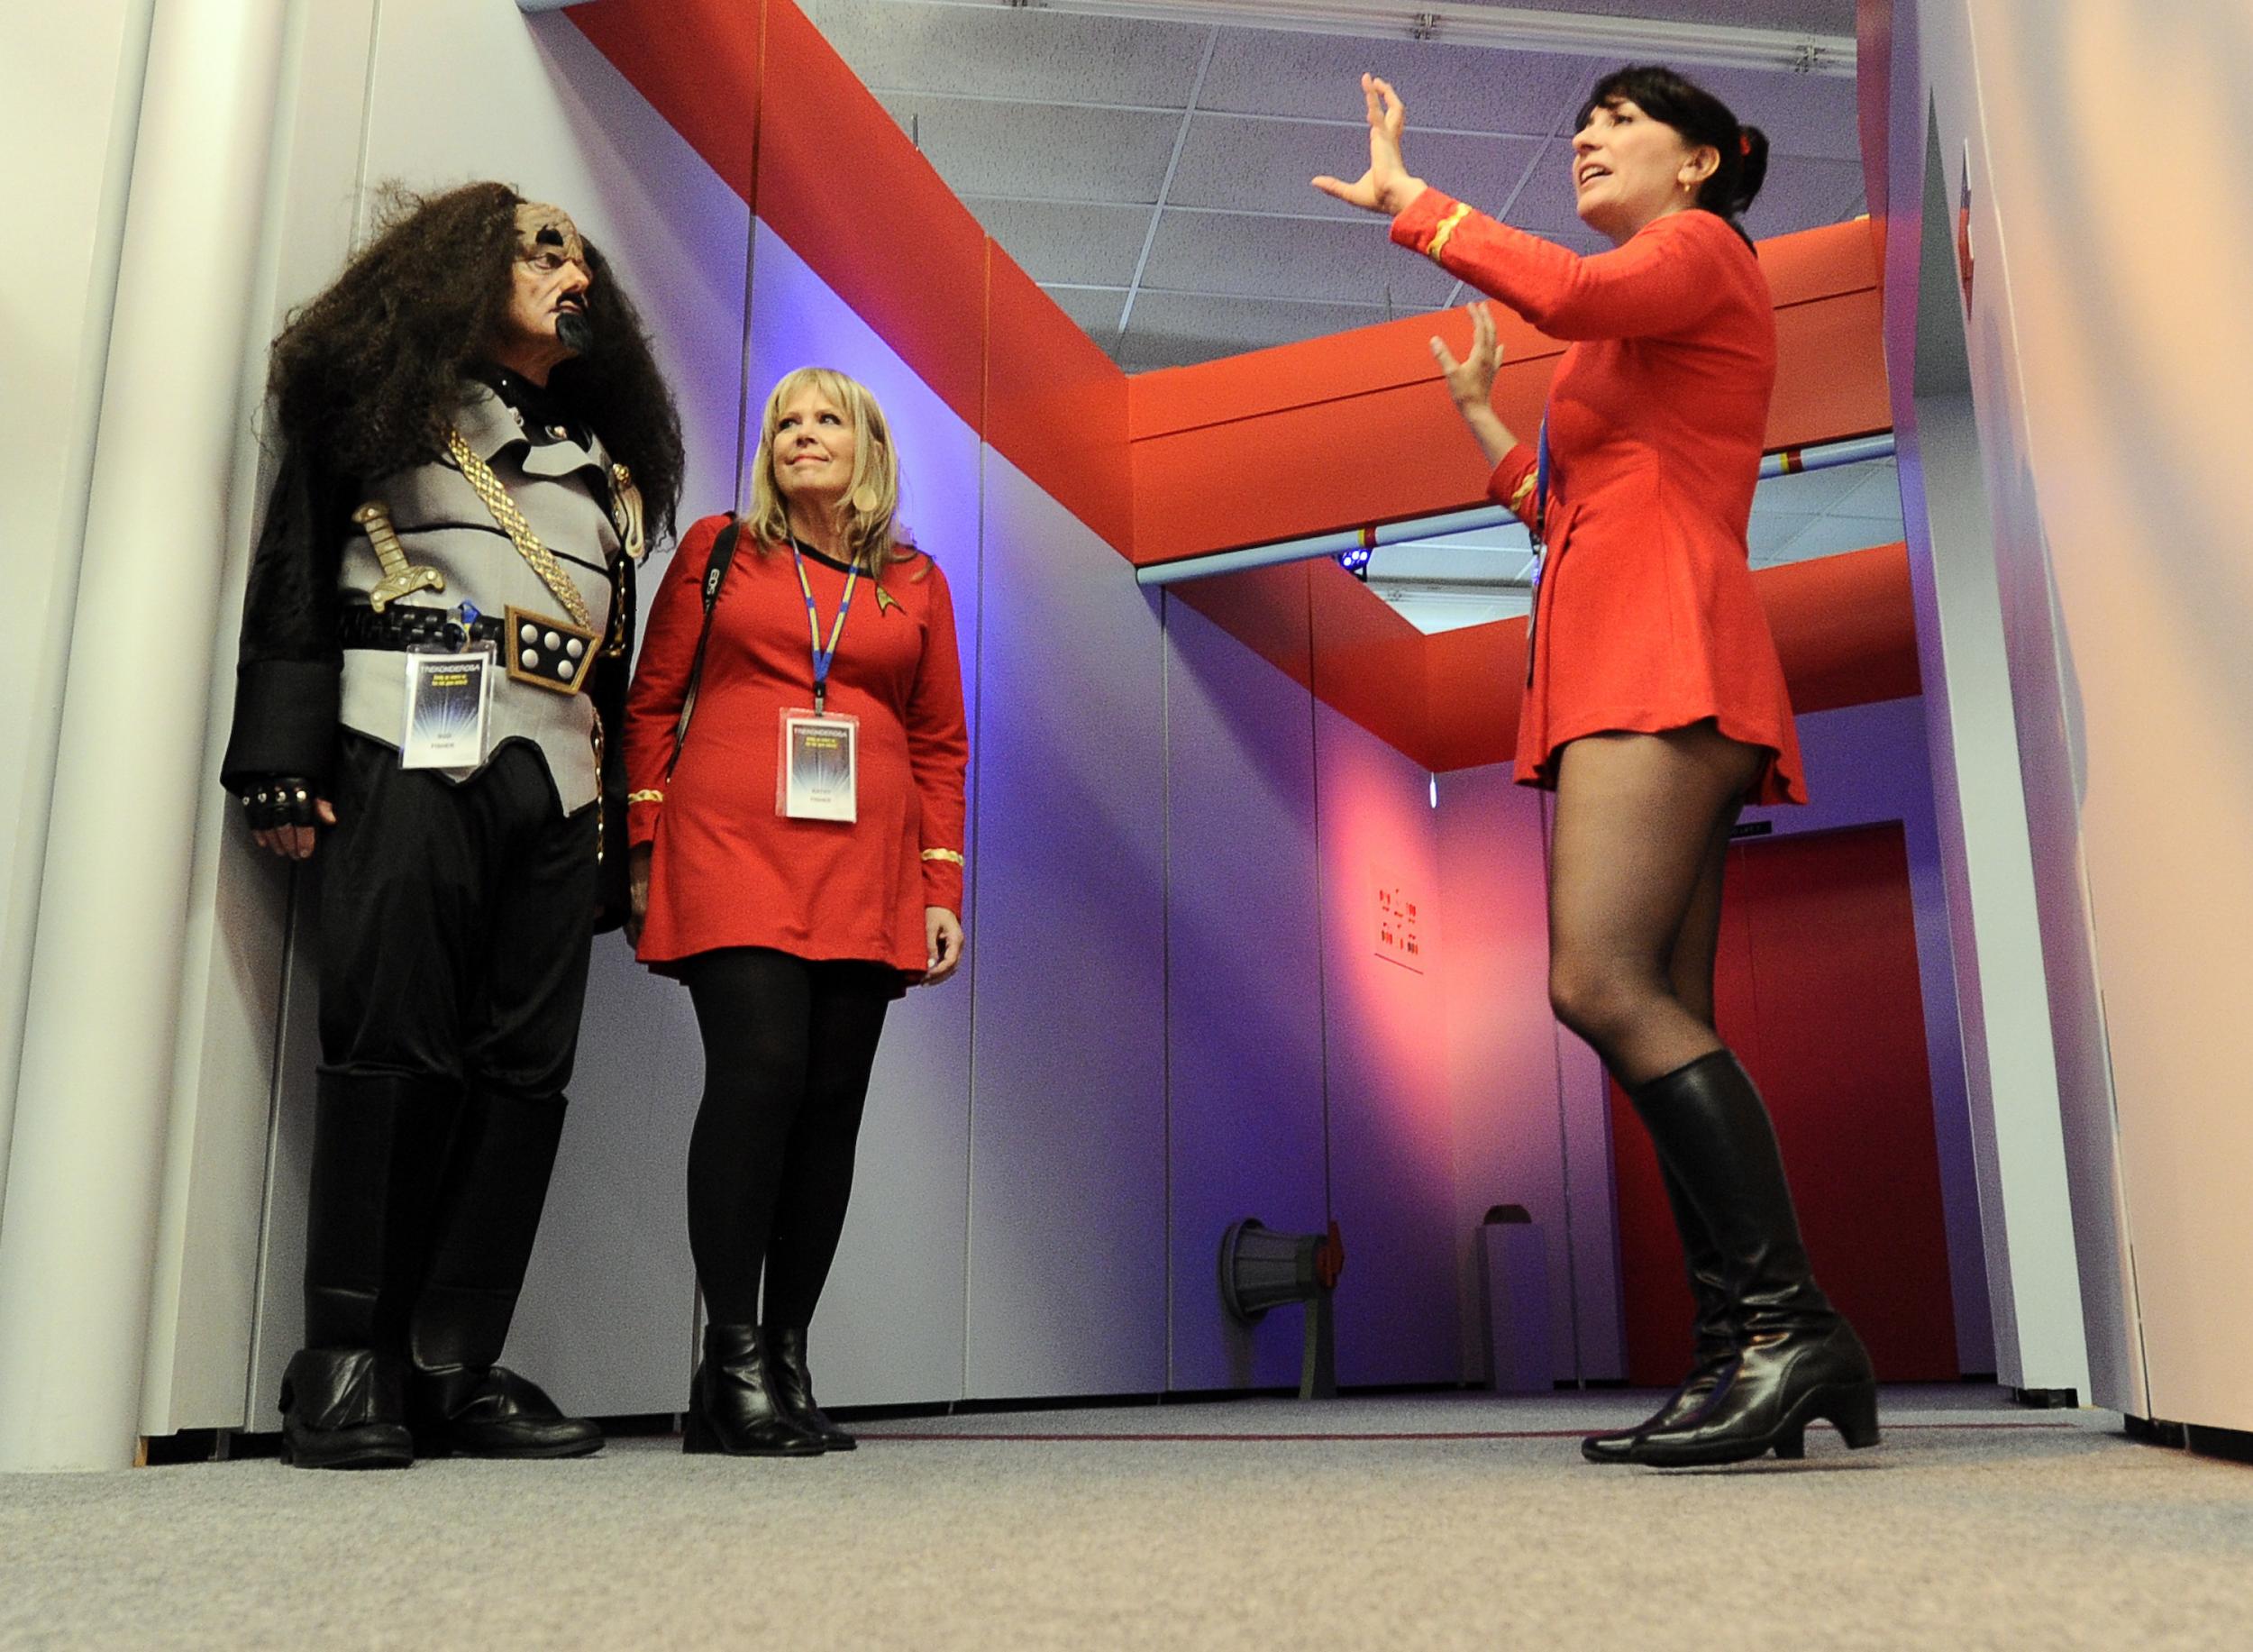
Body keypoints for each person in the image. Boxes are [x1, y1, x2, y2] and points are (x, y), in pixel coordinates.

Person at [1317, 66, 1878, 1468]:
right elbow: (1575, 508)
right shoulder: (1651, 321)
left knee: (1597, 983)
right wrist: (1486, 426)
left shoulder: (1699, 253)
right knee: (1659, 997)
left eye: (1620, 122)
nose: (1587, 135)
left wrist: (1416, 204)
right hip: (1633, 635)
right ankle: (1743, 1345)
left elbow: (1564, 294)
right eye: (1582, 121)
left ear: (1701, 165)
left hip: (1660, 647)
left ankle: (1785, 1325)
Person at [221, 183, 684, 1468]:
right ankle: (346, 1356)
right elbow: (298, 559)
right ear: (463, 269)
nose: (570, 269)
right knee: (390, 1036)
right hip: (407, 737)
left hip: (559, 779)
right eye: (542, 248)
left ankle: (451, 1363)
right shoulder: (388, 414)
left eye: (582, 254)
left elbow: (616, 661)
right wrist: (279, 753)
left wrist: (621, 844)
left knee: (524, 1072)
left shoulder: (607, 473)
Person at [624, 367, 968, 1457]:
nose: (801, 436)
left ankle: (786, 1356)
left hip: (866, 864)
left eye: (826, 420)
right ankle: (728, 1363)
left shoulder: (917, 581)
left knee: (830, 1107)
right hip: (730, 846)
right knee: (759, 1074)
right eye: (784, 420)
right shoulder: (722, 551)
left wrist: (940, 881)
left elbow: (939, 743)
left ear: (870, 448)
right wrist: (641, 846)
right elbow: (650, 704)